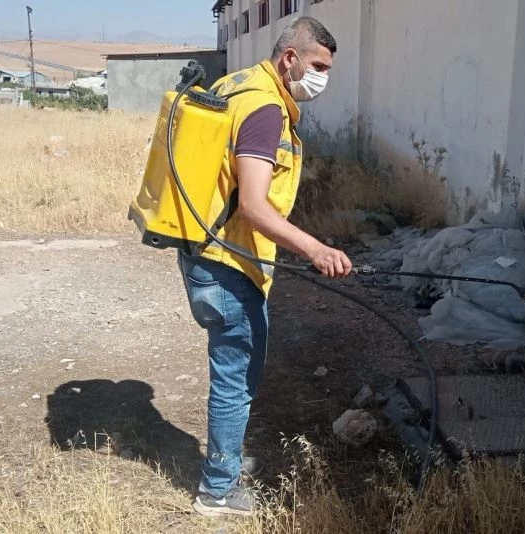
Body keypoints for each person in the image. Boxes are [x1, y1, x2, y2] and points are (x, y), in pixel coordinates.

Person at [177, 16, 352, 517]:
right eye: (318, 66)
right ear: (290, 58)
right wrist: (316, 249)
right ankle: (217, 491)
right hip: (228, 261)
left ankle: (226, 463)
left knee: (232, 372)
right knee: (235, 379)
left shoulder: (235, 84)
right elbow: (254, 205)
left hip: (204, 247)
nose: (322, 77)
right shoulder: (264, 108)